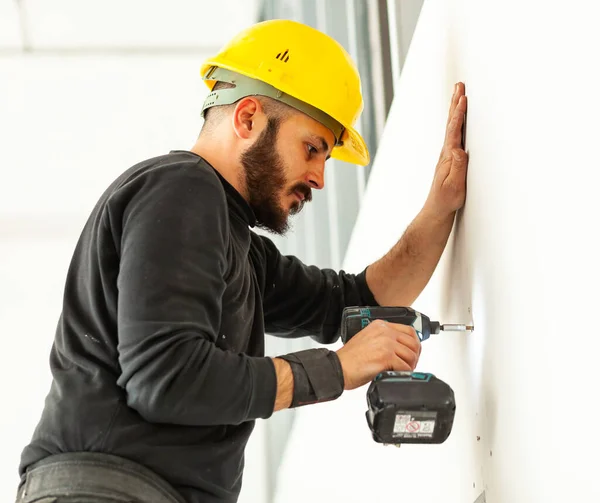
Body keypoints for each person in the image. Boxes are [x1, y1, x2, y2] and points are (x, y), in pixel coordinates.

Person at [15, 19, 468, 503]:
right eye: (312, 148)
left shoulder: (238, 250)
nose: (318, 177)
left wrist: (439, 209)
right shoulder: (181, 190)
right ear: (248, 117)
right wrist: (335, 369)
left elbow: (357, 301)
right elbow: (167, 378)